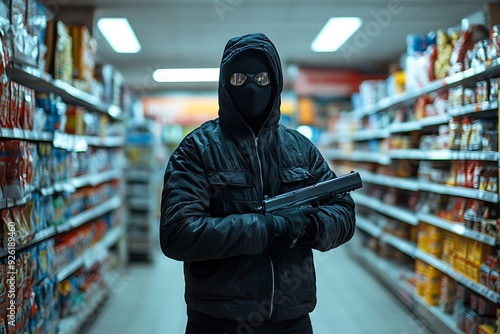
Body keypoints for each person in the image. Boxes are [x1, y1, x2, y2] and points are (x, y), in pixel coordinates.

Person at [160, 32, 356, 334]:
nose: (251, 87)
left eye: (262, 78)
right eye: (239, 78)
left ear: (275, 82)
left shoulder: (301, 149)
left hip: (292, 319)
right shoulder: (196, 150)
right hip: (217, 321)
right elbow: (178, 233)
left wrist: (312, 227)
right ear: (225, 84)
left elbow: (343, 211)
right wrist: (266, 227)